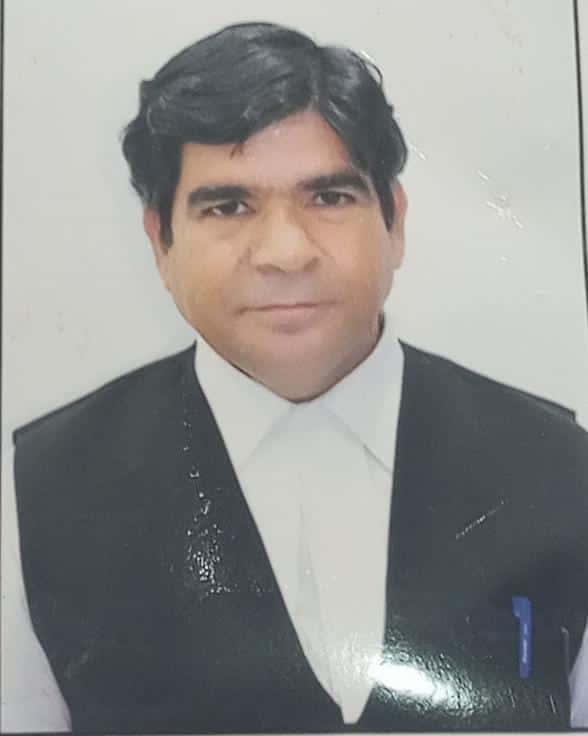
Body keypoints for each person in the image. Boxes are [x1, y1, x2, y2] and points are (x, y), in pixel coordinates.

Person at [3, 21, 588, 733]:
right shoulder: (33, 496)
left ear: (395, 222)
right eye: (228, 206)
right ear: (161, 241)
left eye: (329, 197)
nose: (285, 252)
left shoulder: (560, 467)